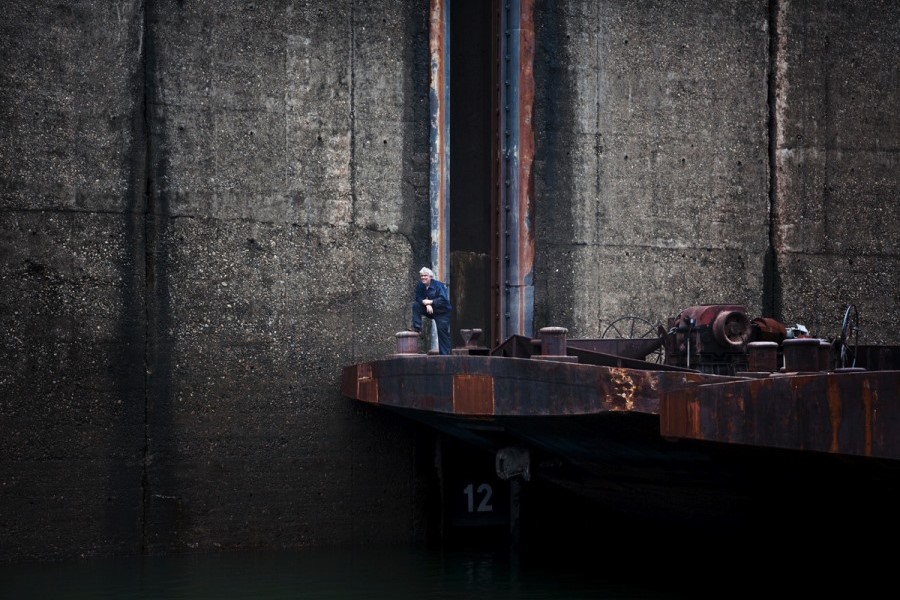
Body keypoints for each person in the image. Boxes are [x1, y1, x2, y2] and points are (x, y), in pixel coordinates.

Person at [410, 267, 452, 355]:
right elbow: (418, 298)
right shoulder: (420, 285)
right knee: (416, 305)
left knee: (442, 333)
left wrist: (431, 302)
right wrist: (426, 304)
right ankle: (417, 328)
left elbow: (443, 300)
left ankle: (445, 356)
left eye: (425, 276)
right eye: (421, 276)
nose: (423, 277)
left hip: (442, 312)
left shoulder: (438, 285)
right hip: (431, 310)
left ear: (430, 277)